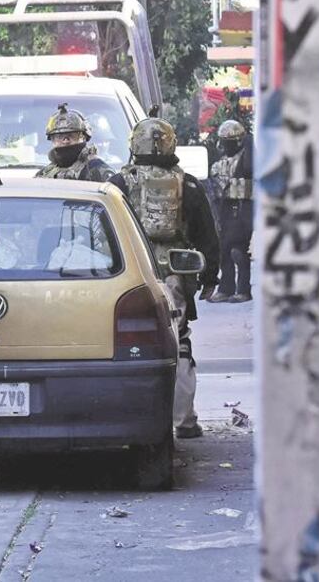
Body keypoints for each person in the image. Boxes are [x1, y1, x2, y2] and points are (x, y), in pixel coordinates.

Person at [109, 117, 220, 440]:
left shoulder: (118, 184)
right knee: (180, 343)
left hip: (129, 275)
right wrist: (209, 277)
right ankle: (184, 421)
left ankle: (129, 420)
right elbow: (208, 235)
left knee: (129, 346)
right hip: (176, 276)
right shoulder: (189, 185)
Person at [207, 120, 253, 303]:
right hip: (223, 210)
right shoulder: (221, 162)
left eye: (230, 142)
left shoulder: (247, 158)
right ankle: (226, 288)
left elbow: (251, 169)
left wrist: (249, 142)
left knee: (238, 251)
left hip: (242, 210)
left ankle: (243, 290)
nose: (226, 146)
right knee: (224, 251)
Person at [35, 103, 115, 182]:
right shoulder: (45, 173)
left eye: (72, 135)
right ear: (52, 140)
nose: (65, 140)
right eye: (59, 136)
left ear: (84, 137)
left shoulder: (98, 171)